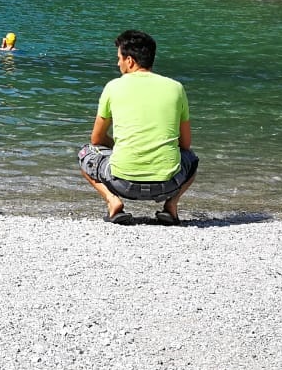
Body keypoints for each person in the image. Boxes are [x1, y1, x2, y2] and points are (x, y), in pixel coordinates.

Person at [78, 29, 198, 225]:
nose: (118, 63)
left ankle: (112, 201)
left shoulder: (113, 87)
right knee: (191, 158)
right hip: (168, 184)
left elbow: (96, 139)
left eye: (119, 58)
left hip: (122, 183)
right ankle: (171, 205)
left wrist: (119, 145)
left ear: (130, 61)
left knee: (85, 152)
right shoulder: (176, 88)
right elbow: (185, 143)